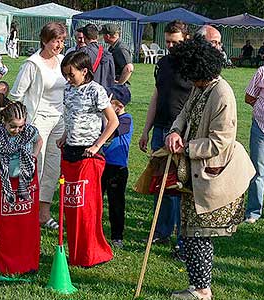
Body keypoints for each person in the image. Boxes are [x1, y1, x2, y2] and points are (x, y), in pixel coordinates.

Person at [165, 35, 255, 300]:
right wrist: (174, 131)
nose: (190, 81)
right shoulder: (200, 86)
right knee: (190, 232)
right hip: (193, 173)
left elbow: (220, 141)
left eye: (192, 76)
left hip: (213, 175)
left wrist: (187, 147)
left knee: (200, 234)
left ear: (201, 69)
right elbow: (184, 113)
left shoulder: (222, 94)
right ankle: (196, 286)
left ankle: (202, 291)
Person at [56, 51, 118, 267]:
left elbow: (113, 122)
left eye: (71, 74)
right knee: (71, 207)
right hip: (70, 152)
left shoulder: (96, 91)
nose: (68, 79)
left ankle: (92, 253)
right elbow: (70, 115)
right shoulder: (67, 89)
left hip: (89, 155)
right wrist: (65, 136)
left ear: (84, 71)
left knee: (86, 208)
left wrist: (96, 145)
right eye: (65, 74)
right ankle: (75, 253)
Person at [139, 21, 192, 259]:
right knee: (161, 184)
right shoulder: (162, 63)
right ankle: (161, 231)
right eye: (168, 41)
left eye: (175, 42)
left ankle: (183, 240)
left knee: (180, 186)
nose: (170, 46)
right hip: (160, 129)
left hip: (183, 133)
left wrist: (182, 131)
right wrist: (146, 129)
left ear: (187, 39)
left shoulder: (193, 65)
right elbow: (156, 96)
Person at [10, 22, 67, 229]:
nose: (59, 45)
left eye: (62, 40)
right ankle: (27, 210)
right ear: (44, 40)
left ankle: (44, 214)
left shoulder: (62, 61)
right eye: (55, 40)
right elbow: (16, 95)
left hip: (59, 118)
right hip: (38, 120)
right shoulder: (32, 64)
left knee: (54, 167)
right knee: (37, 166)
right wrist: (21, 122)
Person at [0, 101, 43, 275]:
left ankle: (29, 263)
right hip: (5, 179)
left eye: (21, 126)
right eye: (13, 127)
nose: (17, 130)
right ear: (4, 121)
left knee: (27, 225)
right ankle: (7, 263)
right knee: (8, 225)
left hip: (26, 178)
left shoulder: (29, 131)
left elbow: (39, 141)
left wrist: (33, 155)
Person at [101, 84, 133, 249]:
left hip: (117, 169)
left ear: (119, 105)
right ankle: (95, 232)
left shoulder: (126, 120)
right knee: (97, 200)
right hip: (101, 165)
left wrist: (106, 114)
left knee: (116, 203)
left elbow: (110, 130)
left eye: (109, 101)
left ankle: (117, 236)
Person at [244, 61, 264, 223]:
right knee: (258, 172)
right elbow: (248, 97)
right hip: (262, 128)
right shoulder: (263, 72)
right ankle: (253, 212)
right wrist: (261, 109)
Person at [79, 23, 115, 90]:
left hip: (88, 91)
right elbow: (111, 78)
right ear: (97, 36)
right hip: (104, 93)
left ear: (84, 37)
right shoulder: (108, 54)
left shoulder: (83, 52)